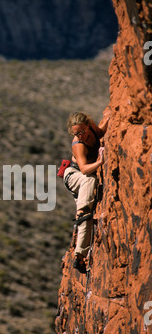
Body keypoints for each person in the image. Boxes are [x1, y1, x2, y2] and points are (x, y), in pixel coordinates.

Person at [63, 111, 110, 272]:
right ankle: (80, 254)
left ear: (88, 125)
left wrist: (111, 115)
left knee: (87, 215)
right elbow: (83, 169)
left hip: (85, 176)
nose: (80, 135)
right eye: (76, 133)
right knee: (85, 207)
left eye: (82, 131)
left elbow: (101, 131)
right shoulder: (78, 144)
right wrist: (100, 162)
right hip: (73, 175)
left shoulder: (93, 129)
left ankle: (80, 256)